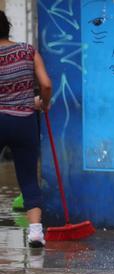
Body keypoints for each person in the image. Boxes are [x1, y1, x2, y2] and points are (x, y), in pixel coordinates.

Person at [0, 11, 52, 248]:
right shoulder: (27, 51)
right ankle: (35, 233)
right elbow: (46, 84)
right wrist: (43, 102)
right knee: (29, 178)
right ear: (7, 27)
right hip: (24, 121)